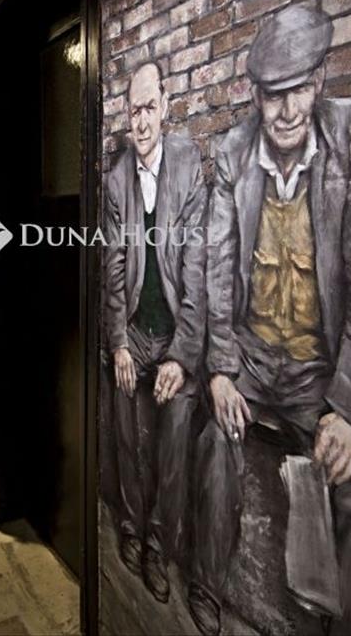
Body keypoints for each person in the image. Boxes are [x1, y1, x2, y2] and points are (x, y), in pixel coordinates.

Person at [188, 4, 351, 635]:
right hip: (253, 358)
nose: (285, 111)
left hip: (317, 372)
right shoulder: (233, 152)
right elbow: (217, 269)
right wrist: (221, 370)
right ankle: (205, 584)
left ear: (319, 82)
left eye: (299, 90)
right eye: (272, 95)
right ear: (255, 95)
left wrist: (348, 409)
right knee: (214, 443)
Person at [103, 61, 207, 604]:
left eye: (149, 108)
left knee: (177, 429)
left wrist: (182, 357)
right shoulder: (116, 179)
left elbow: (197, 273)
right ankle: (128, 526)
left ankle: (158, 545)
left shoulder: (188, 167)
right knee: (121, 413)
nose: (141, 122)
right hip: (136, 331)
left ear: (165, 105)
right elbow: (113, 269)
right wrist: (119, 343)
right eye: (133, 111)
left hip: (175, 333)